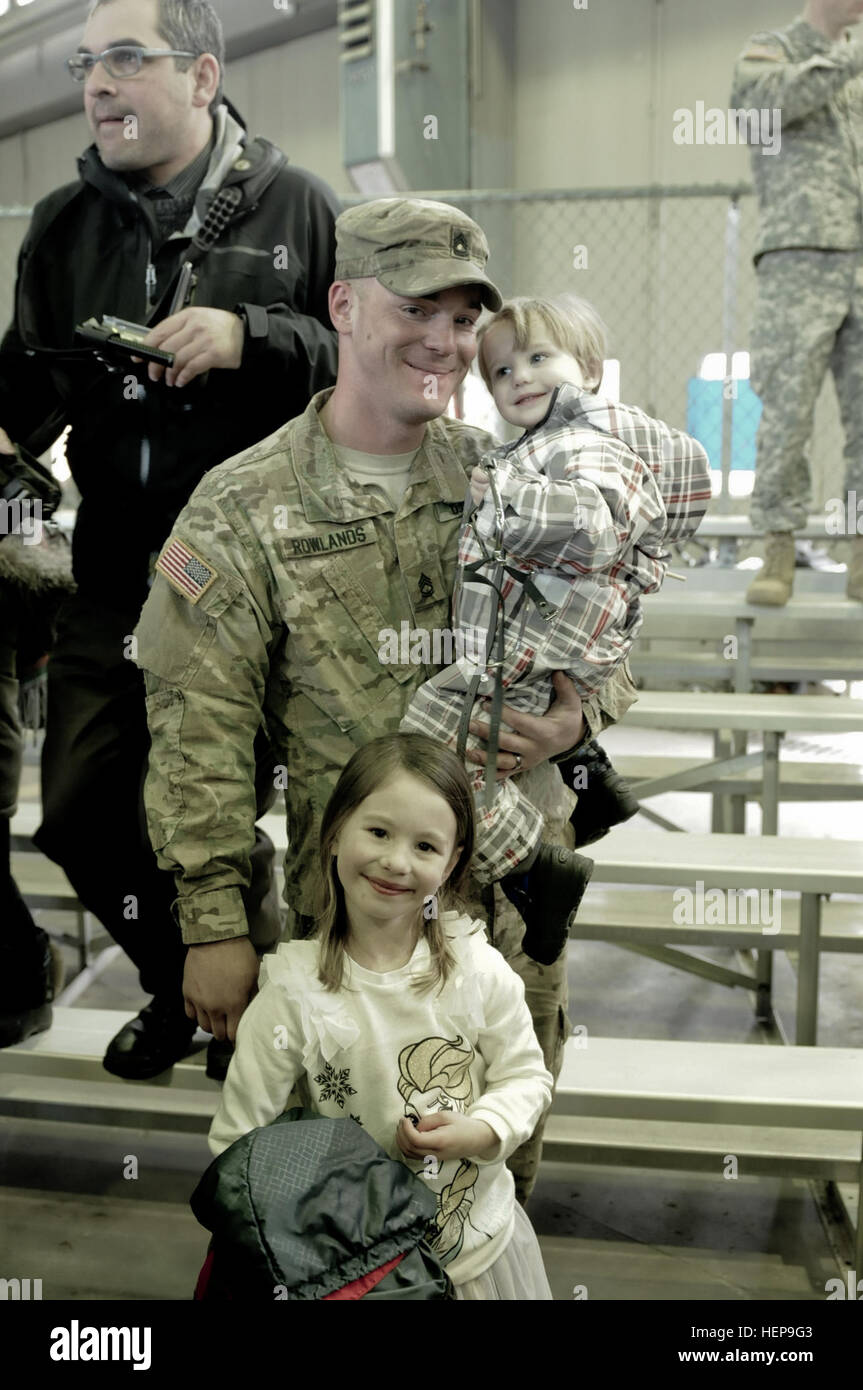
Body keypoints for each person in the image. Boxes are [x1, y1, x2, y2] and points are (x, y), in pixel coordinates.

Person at [135, 196, 638, 1201]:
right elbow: (200, 728)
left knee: (492, 1187)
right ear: (344, 305)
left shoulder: (510, 476)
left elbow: (617, 622)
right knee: (344, 1209)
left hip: (507, 913)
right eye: (416, 309)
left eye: (463, 320)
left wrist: (581, 714)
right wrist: (210, 922)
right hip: (349, 934)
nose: (444, 343)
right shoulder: (243, 502)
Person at [0, 0, 340, 1078]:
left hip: (258, 579)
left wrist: (252, 337)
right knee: (84, 809)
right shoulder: (62, 225)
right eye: (84, 62)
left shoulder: (296, 204)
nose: (96, 83)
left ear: (200, 77)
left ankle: (258, 1019)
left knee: (220, 811)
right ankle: (184, 984)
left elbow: (355, 359)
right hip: (113, 576)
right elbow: (27, 394)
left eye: (124, 60)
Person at [400, 296, 711, 966]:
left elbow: (595, 528)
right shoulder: (541, 445)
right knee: (461, 751)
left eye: (538, 358)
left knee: (432, 735)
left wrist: (506, 498)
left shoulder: (582, 442)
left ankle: (534, 867)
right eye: (501, 371)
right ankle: (582, 790)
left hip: (542, 646)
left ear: (591, 370)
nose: (519, 378)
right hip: (540, 641)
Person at [208, 732, 555, 1300]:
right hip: (356, 1280)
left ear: (453, 861)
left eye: (425, 846)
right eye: (378, 832)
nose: (396, 862)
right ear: (336, 832)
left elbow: (526, 1077)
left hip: (475, 1263)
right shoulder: (292, 995)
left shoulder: (478, 970)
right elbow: (238, 1145)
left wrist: (481, 1128)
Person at [731, 0, 863, 605]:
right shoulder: (770, 50)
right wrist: (846, 60)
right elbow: (760, 108)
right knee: (787, 415)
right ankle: (777, 547)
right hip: (797, 259)